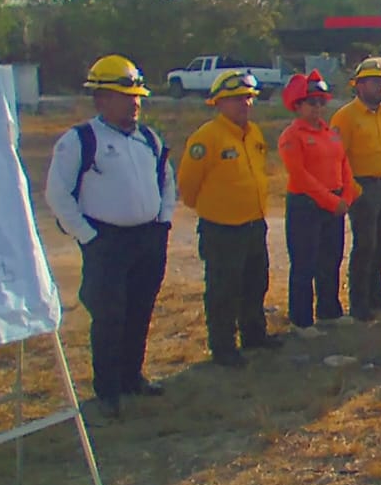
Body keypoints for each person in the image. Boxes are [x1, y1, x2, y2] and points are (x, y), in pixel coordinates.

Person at [45, 56, 176, 418]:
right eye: (124, 96)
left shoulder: (148, 137)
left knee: (139, 310)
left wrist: (163, 222)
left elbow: (167, 182)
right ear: (101, 98)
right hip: (107, 243)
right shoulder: (80, 140)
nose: (134, 103)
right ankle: (108, 390)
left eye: (137, 96)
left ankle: (132, 377)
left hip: (147, 239)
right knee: (109, 316)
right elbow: (57, 195)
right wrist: (88, 236)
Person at [176, 69, 278, 368]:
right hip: (222, 228)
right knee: (223, 289)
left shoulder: (255, 133)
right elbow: (188, 185)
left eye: (247, 98)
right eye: (235, 99)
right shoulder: (206, 138)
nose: (243, 104)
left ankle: (254, 334)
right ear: (219, 103)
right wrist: (213, 209)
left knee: (255, 282)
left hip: (253, 223)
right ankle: (223, 346)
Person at [278, 72, 359, 336]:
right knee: (305, 262)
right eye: (310, 102)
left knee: (330, 259)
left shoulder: (330, 133)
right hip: (306, 205)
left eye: (320, 102)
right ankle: (301, 320)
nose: (316, 108)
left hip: (335, 203)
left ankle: (329, 311)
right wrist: (329, 200)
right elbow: (300, 175)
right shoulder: (292, 136)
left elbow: (343, 164)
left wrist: (345, 197)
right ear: (298, 106)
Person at [331, 56, 381, 321]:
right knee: (365, 245)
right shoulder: (346, 116)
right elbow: (337, 158)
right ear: (359, 85)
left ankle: (376, 293)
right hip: (363, 187)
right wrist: (352, 191)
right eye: (374, 82)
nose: (379, 88)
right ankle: (359, 301)